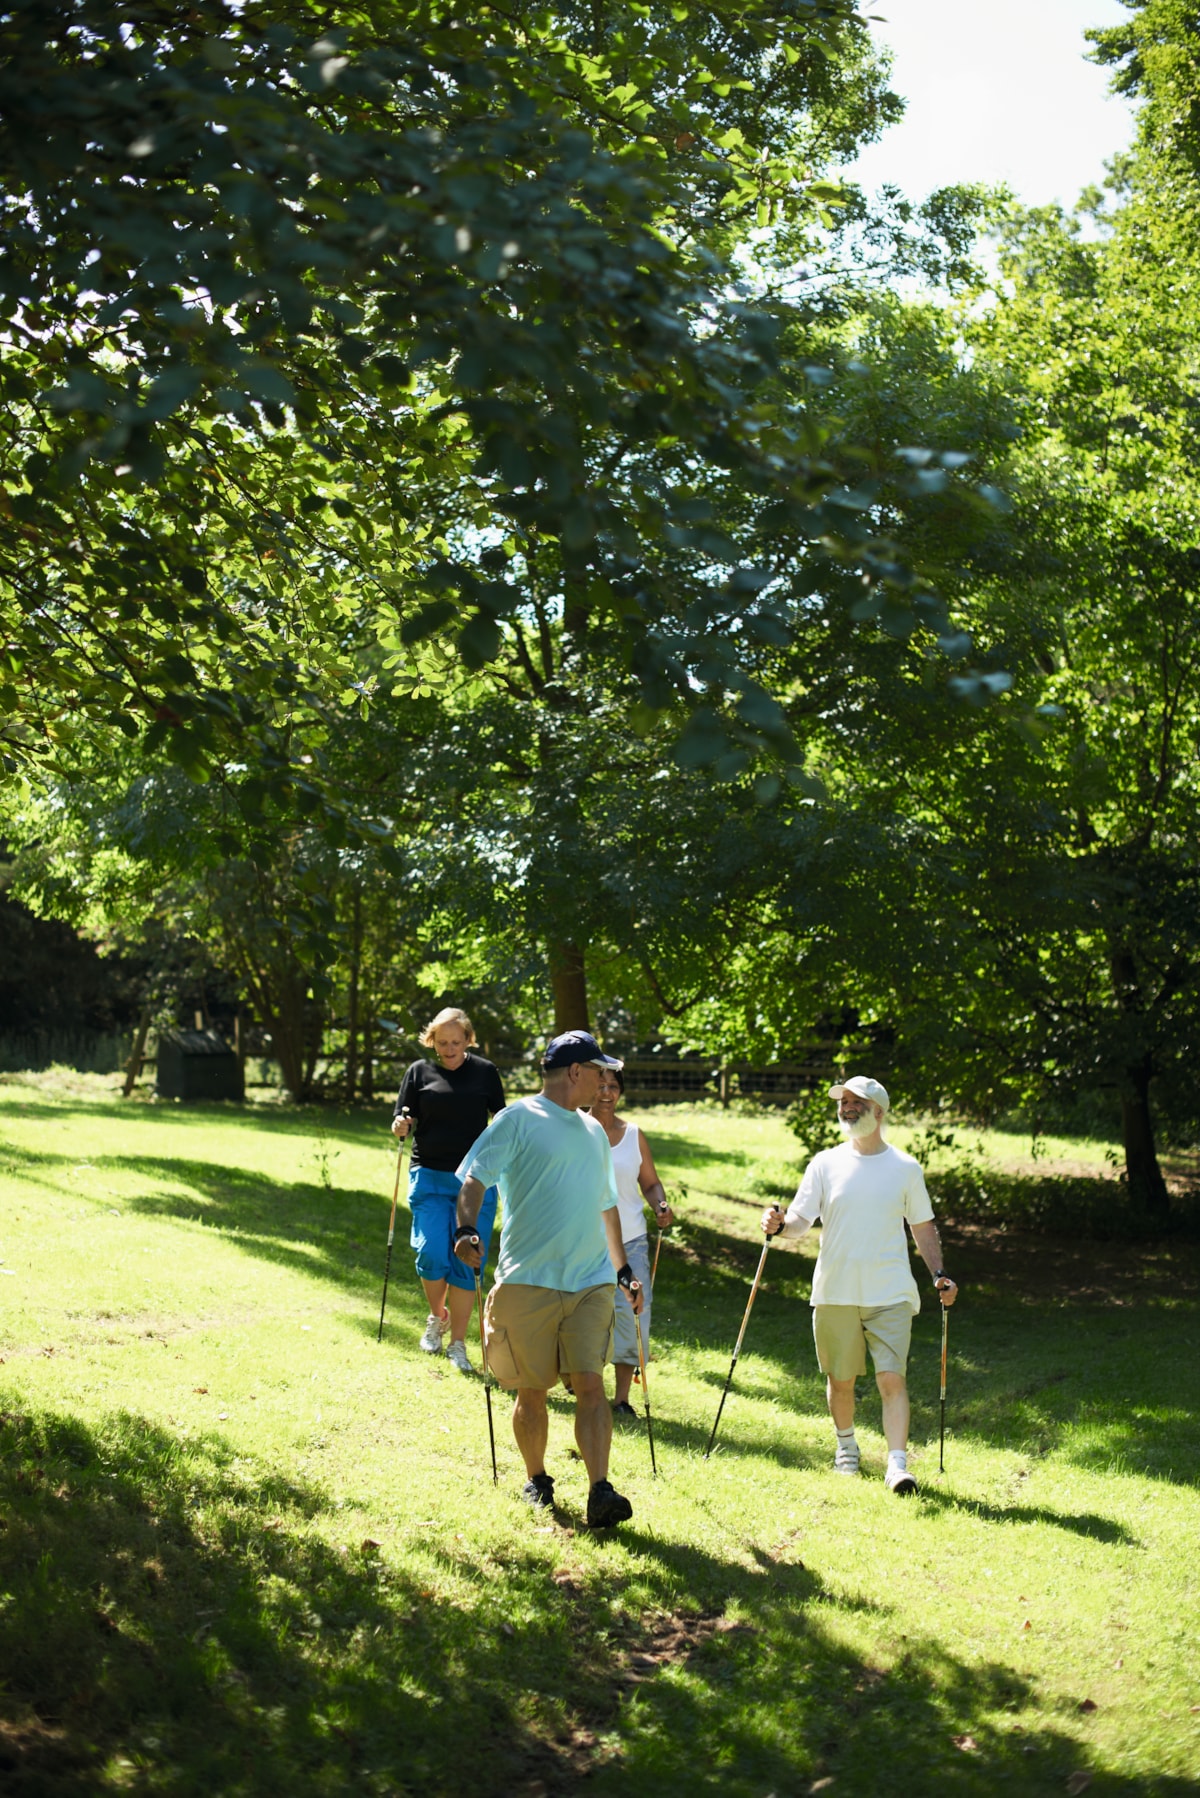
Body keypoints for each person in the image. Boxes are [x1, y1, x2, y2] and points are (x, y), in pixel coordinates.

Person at [452, 1030, 644, 1528]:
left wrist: (622, 1268)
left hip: (589, 1282)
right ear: (575, 1072)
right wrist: (467, 1229)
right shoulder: (518, 1120)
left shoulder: (594, 1132)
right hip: (529, 1279)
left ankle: (600, 1489)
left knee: (591, 1385)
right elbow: (474, 1177)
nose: (607, 1082)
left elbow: (607, 1205)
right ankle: (536, 1479)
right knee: (531, 1390)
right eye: (600, 1072)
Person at [761, 1075, 958, 1496]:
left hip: (889, 1291)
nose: (847, 1107)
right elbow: (799, 1221)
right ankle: (846, 1448)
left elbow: (922, 1226)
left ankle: (897, 1466)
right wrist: (778, 1227)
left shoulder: (905, 1168)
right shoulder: (825, 1163)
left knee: (892, 1379)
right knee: (841, 1379)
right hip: (836, 1290)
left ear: (879, 1112)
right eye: (843, 1102)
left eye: (857, 1102)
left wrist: (938, 1274)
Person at [392, 1006, 505, 1373]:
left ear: (468, 1039)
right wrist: (401, 1125)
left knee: (465, 1261)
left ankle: (458, 1343)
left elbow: (501, 1122)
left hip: (475, 1181)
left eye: (456, 1041)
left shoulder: (486, 1073)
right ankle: (435, 1317)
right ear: (432, 1041)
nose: (449, 1048)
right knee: (430, 1254)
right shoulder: (418, 1071)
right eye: (442, 1042)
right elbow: (401, 1115)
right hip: (428, 1176)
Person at [588, 1064, 673, 1418]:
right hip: (585, 1240)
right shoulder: (575, 1129)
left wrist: (661, 1205)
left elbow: (650, 1183)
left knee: (632, 1313)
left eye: (613, 1086)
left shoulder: (633, 1134)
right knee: (585, 1313)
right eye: (600, 1085)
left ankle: (621, 1399)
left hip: (632, 1239)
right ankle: (580, 1383)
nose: (606, 1093)